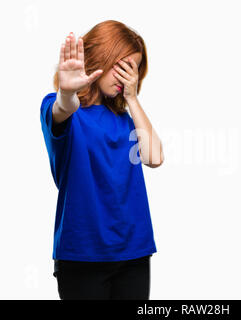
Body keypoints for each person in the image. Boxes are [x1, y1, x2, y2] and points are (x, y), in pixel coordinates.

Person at [40, 20, 164, 300]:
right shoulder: (60, 108)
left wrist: (132, 98)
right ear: (100, 57)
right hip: (82, 255)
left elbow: (155, 157)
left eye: (134, 69)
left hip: (134, 251)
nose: (126, 77)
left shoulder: (126, 120)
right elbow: (63, 108)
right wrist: (68, 91)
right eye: (122, 67)